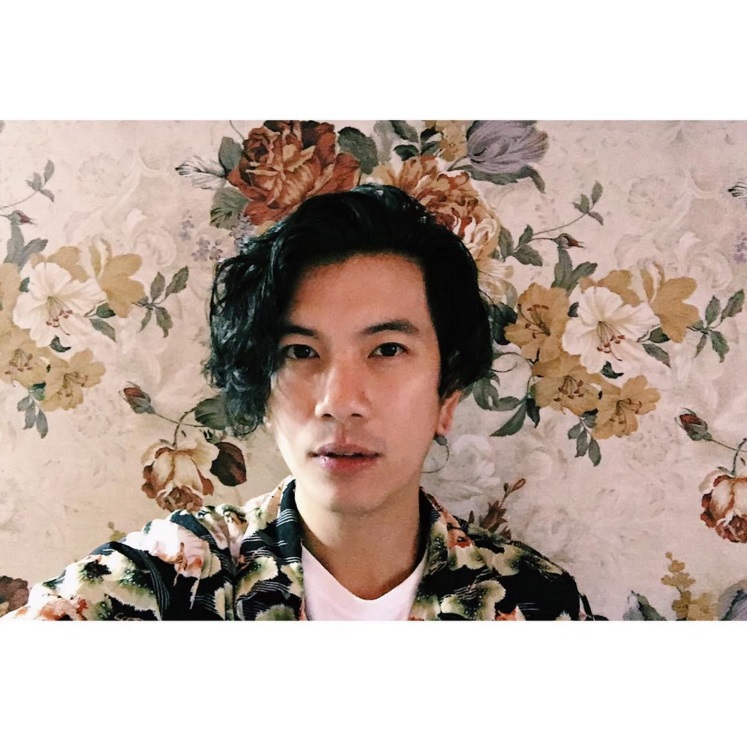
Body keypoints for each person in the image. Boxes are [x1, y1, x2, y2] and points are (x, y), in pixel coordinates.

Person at [4, 185, 592, 621]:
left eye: (387, 349)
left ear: (447, 394)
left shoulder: (533, 602)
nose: (339, 402)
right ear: (262, 388)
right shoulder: (164, 580)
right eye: (301, 352)